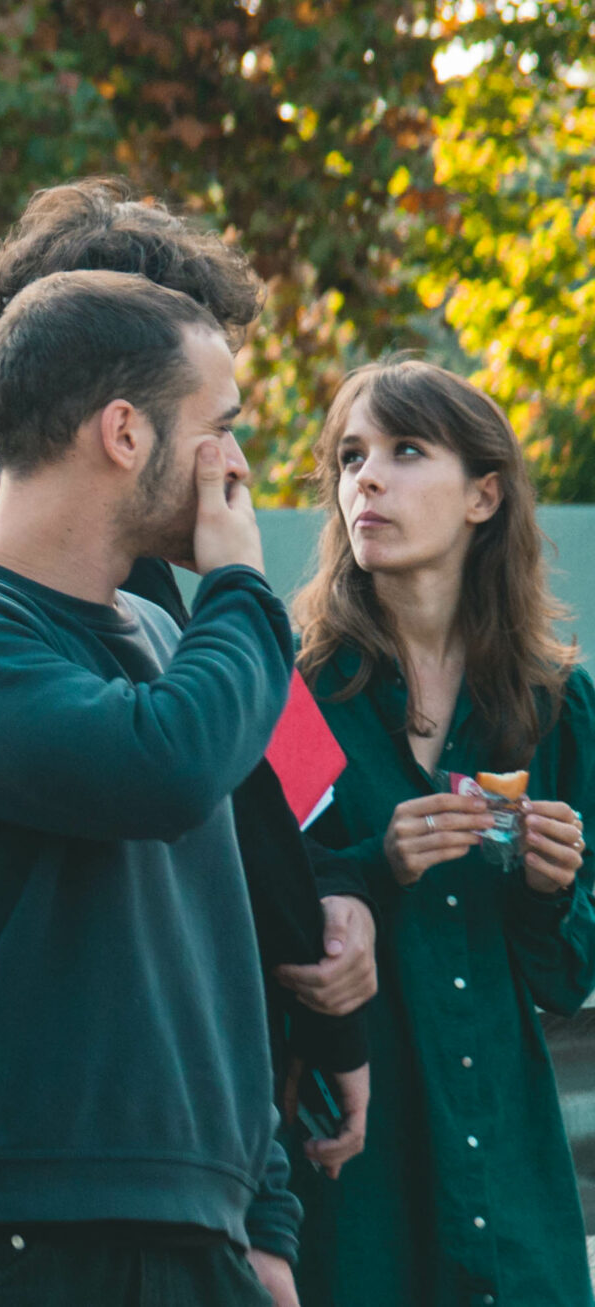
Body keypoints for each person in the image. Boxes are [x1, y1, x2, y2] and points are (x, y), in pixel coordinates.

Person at [0, 269, 300, 1307]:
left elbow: (215, 949)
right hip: (16, 1239)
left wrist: (264, 1218)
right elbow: (165, 771)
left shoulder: (161, 636)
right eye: (218, 427)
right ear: (123, 434)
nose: (235, 466)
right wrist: (237, 583)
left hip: (198, 1237)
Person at [0, 179, 379, 1165]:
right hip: (98, 1127)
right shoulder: (13, 557)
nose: (229, 457)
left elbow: (284, 755)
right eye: (205, 412)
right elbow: (186, 771)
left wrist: (340, 889)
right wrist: (326, 1013)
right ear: (114, 410)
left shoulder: (174, 559)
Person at [285, 359, 594, 1307]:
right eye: (351, 456)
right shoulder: (292, 701)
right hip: (359, 1187)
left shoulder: (558, 707)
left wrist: (554, 891)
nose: (365, 479)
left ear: (484, 495)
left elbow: (566, 978)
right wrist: (378, 867)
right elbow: (273, 928)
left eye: (406, 451)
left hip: (511, 1191)